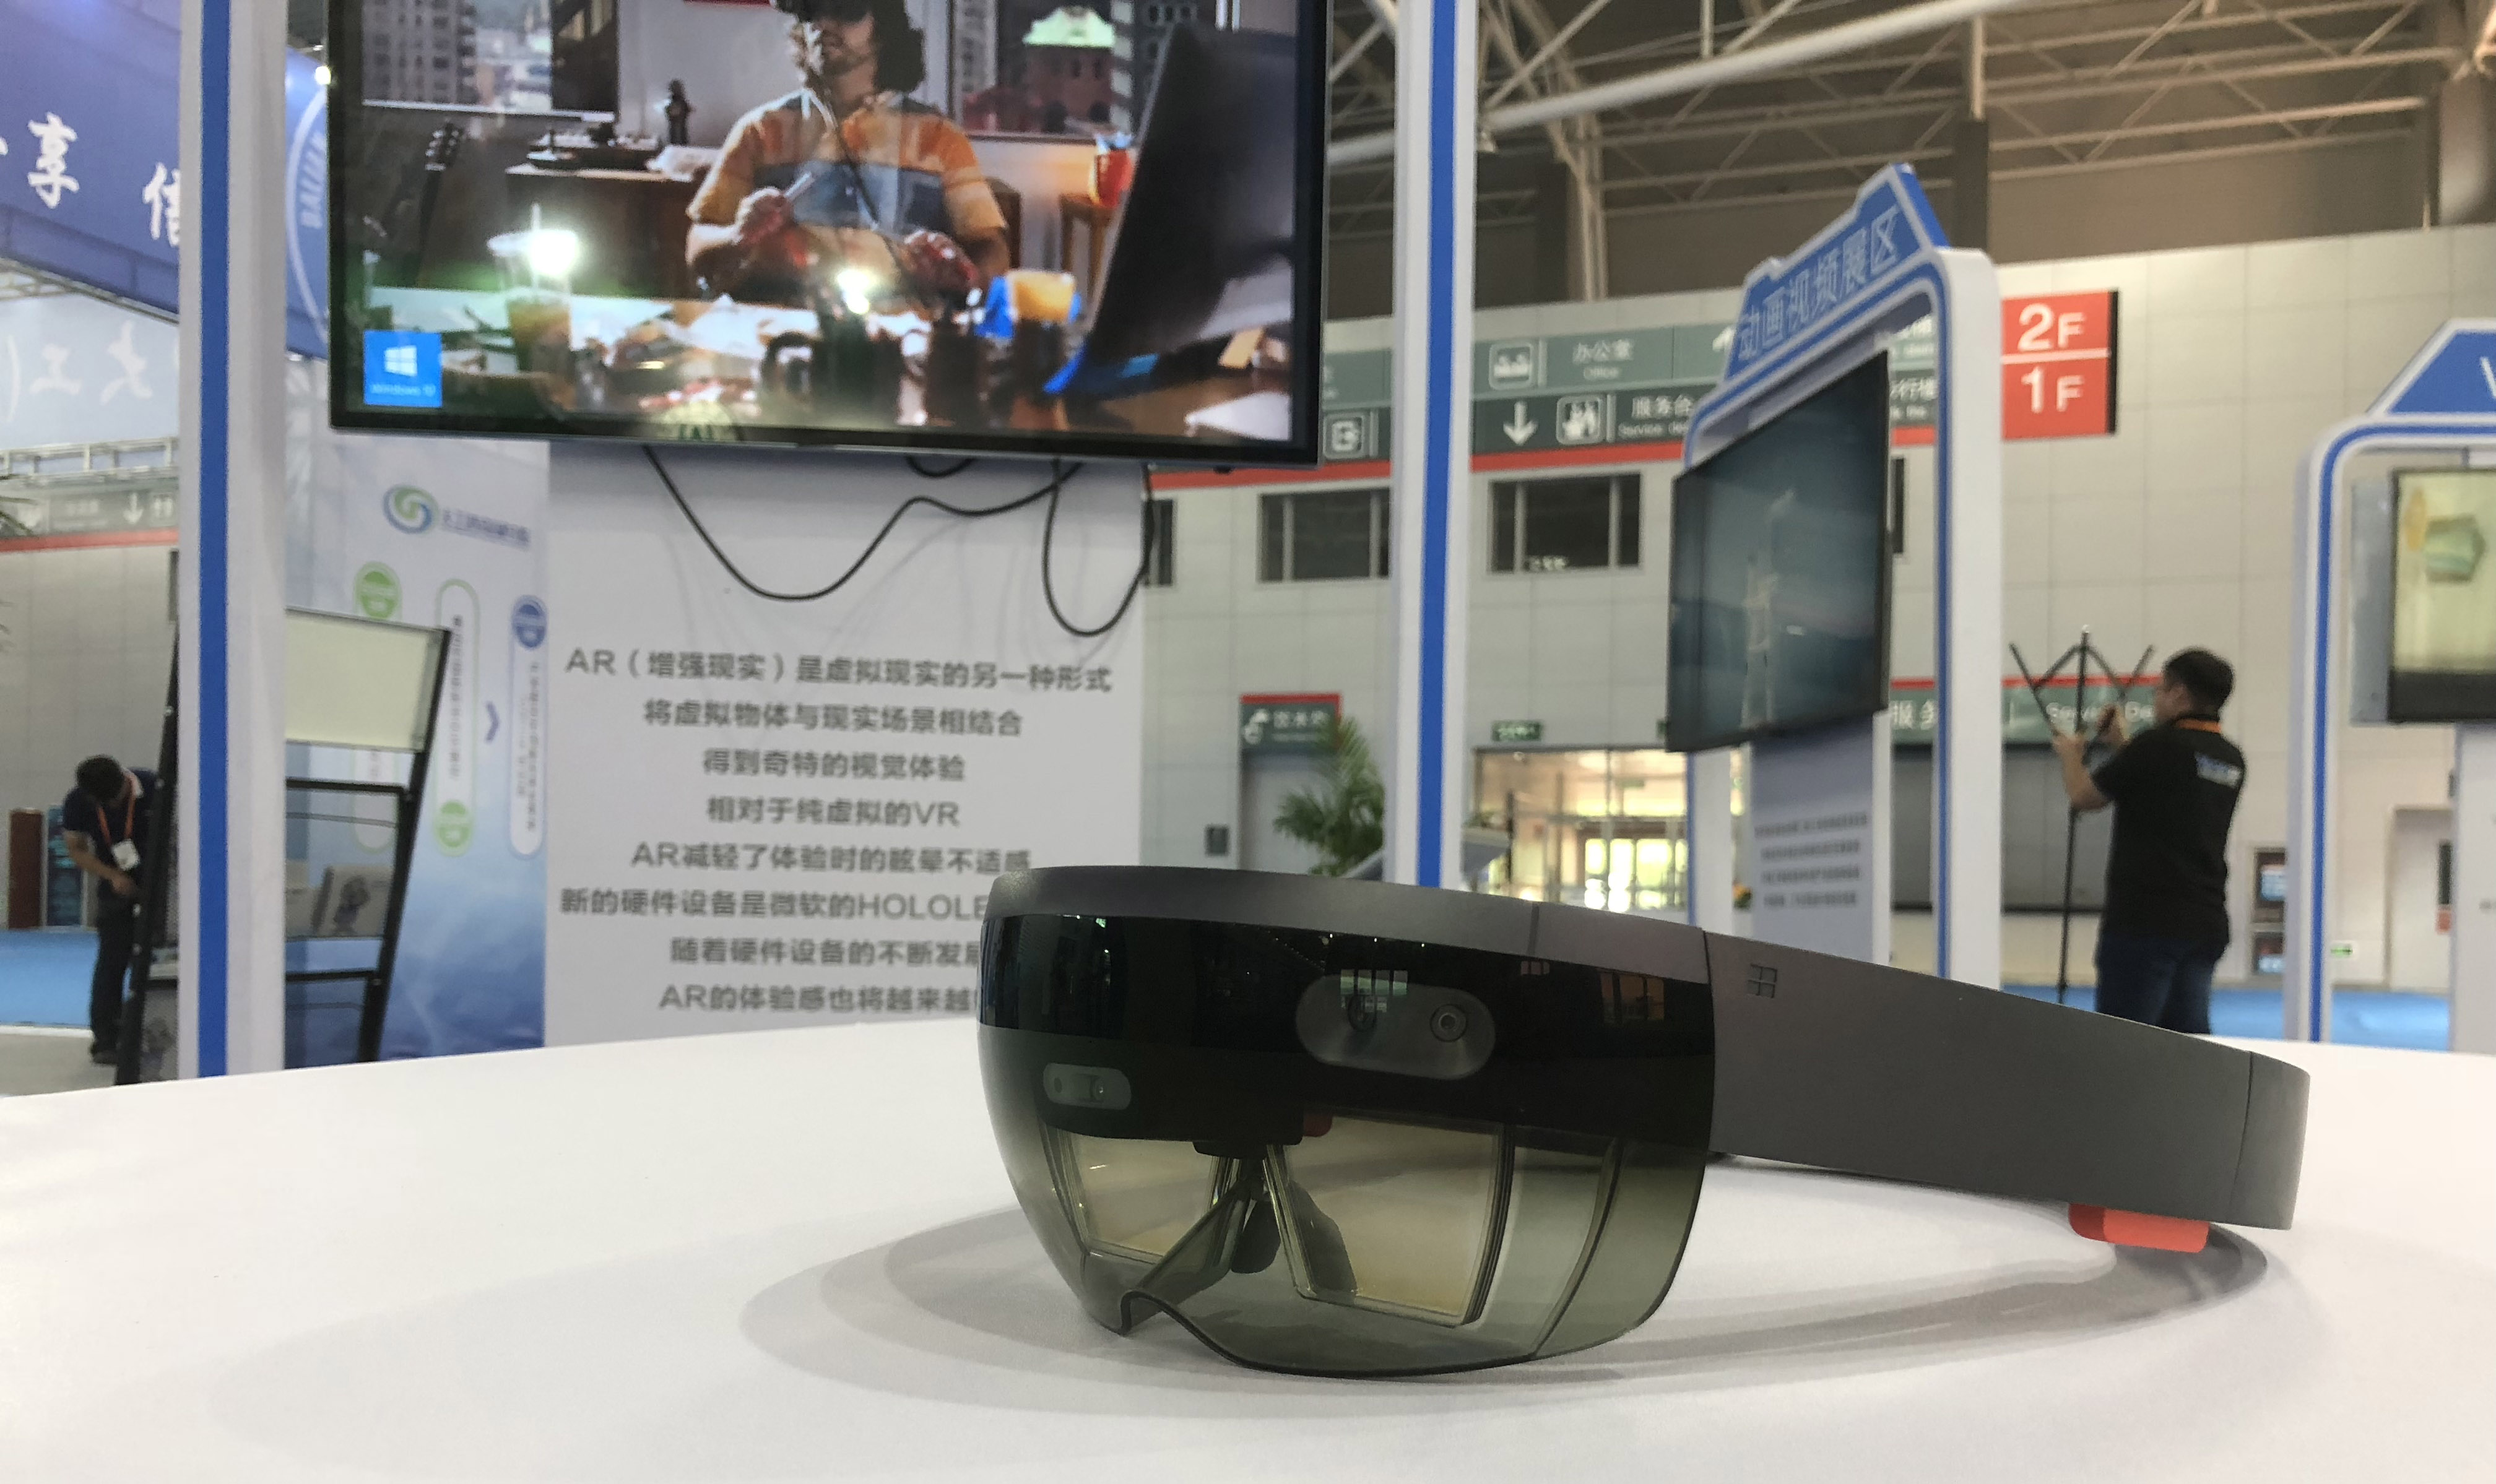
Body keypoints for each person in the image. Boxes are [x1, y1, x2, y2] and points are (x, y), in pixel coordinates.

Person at [686, 0, 1012, 311]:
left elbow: (992, 249)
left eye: (845, 9)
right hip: (780, 330)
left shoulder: (940, 137)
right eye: (812, 10)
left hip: (902, 332)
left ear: (884, 27)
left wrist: (966, 272)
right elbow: (697, 247)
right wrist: (738, 235)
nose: (823, 24)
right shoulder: (759, 130)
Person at [2052, 649, 2247, 1035]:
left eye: (2159, 690)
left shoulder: (2156, 746)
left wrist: (2071, 755)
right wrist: (2122, 744)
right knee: (2188, 1043)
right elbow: (2168, 784)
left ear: (2179, 693)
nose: (2155, 700)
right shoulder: (2231, 759)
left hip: (2145, 922)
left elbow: (2084, 797)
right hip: (2204, 922)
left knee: (2128, 1041)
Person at [59, 755, 158, 1066]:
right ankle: (106, 1039)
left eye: (115, 798)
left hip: (160, 886)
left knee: (158, 963)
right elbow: (76, 849)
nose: (111, 805)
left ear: (125, 781)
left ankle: (153, 1032)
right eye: (102, 802)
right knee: (111, 963)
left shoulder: (155, 787)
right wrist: (112, 875)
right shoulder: (78, 800)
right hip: (116, 887)